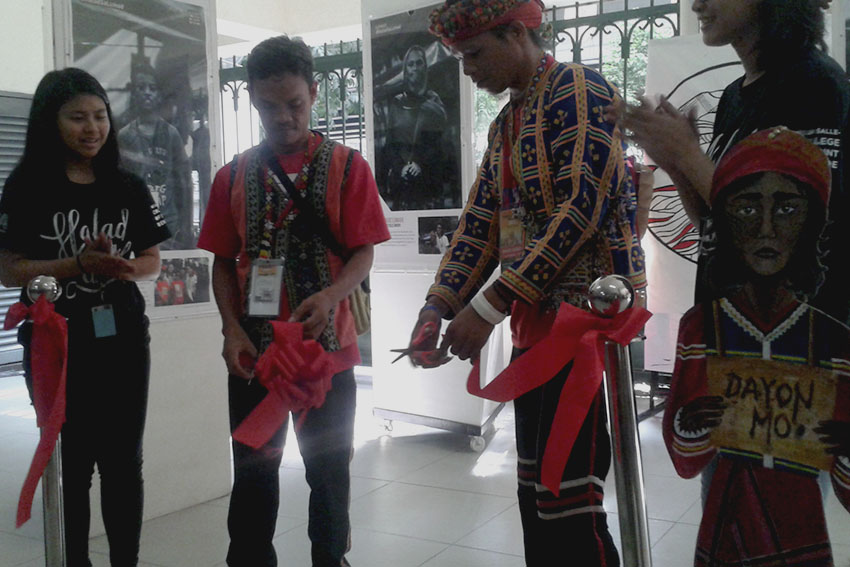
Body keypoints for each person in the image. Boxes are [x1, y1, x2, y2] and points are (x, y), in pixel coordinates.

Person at [413, 1, 645, 565]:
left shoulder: (581, 89)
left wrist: (488, 307)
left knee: (569, 500)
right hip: (534, 326)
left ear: (517, 32)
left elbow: (580, 210)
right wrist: (436, 307)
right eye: (459, 56)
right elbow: (479, 224)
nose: (466, 68)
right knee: (536, 493)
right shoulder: (505, 124)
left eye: (474, 53)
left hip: (585, 327)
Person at [197, 35, 390, 567]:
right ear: (253, 100)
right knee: (254, 469)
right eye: (267, 106)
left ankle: (330, 559)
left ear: (314, 90)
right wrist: (230, 329)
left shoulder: (350, 168)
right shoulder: (232, 175)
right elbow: (221, 262)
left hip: (326, 354)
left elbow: (363, 254)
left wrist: (332, 295)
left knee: (329, 474)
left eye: (294, 105)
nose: (282, 117)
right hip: (256, 357)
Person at [0, 68, 170, 566]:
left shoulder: (127, 185)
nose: (92, 128)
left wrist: (124, 268)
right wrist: (77, 265)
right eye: (77, 117)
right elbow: (9, 270)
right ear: (50, 122)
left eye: (99, 116)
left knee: (123, 462)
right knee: (69, 464)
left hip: (122, 340)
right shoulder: (26, 186)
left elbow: (152, 260)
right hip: (55, 343)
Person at [664, 127, 850, 566]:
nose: (766, 228)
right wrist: (692, 424)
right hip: (726, 523)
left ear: (813, 220)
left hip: (800, 530)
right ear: (725, 219)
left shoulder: (833, 342)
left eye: (787, 208)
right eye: (747, 206)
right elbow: (685, 461)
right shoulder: (700, 329)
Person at [616, 0, 849, 321]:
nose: (697, 6)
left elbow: (790, 228)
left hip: (792, 340)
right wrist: (676, 165)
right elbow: (716, 225)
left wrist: (687, 154)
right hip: (728, 323)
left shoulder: (813, 83)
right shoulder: (733, 96)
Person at [118, 60, 193, 250]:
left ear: (159, 94)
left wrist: (186, 224)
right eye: (141, 87)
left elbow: (183, 181)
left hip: (170, 221)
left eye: (152, 88)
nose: (147, 92)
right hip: (138, 221)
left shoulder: (170, 134)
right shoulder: (125, 135)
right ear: (134, 93)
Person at [374, 44, 453, 210]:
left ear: (425, 66)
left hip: (429, 184)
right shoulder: (397, 103)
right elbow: (390, 145)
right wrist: (400, 168)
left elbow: (442, 143)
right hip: (402, 186)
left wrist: (420, 163)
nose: (415, 68)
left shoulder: (435, 103)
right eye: (410, 64)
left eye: (419, 63)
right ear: (405, 69)